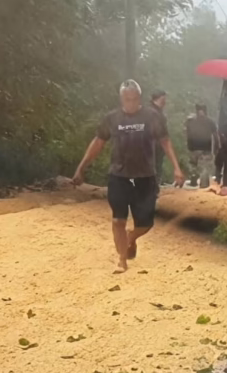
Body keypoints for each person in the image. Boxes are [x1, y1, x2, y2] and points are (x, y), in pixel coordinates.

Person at [72, 80, 184, 273]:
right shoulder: (112, 119)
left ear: (139, 98)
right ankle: (122, 260)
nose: (130, 103)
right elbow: (98, 143)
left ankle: (131, 238)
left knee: (146, 224)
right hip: (119, 176)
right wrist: (81, 168)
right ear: (121, 99)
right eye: (126, 99)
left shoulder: (152, 117)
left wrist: (177, 168)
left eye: (134, 99)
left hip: (145, 177)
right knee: (118, 220)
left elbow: (165, 142)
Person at [184, 103, 218, 188]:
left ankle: (193, 181)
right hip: (206, 147)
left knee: (193, 165)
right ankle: (204, 184)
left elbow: (187, 133)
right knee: (205, 167)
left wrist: (189, 145)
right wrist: (217, 147)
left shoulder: (191, 121)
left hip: (194, 147)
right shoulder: (210, 122)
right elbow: (216, 135)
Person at [149, 89, 168, 182]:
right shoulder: (152, 112)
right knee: (154, 166)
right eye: (163, 99)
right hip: (152, 144)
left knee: (157, 165)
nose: (165, 101)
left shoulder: (158, 111)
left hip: (157, 145)